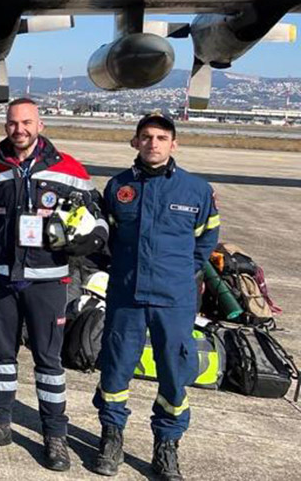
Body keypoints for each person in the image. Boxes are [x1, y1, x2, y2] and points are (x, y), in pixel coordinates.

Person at [0, 98, 107, 472]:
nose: (19, 130)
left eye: (27, 122)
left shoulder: (69, 169)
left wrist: (81, 246)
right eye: (13, 123)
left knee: (49, 361)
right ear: (5, 126)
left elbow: (98, 221)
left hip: (47, 282)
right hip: (0, 280)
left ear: (40, 124)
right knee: (1, 356)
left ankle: (54, 435)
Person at [91, 114, 218, 481]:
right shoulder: (118, 187)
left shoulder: (196, 190)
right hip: (126, 295)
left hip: (174, 299)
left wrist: (179, 274)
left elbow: (205, 241)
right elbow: (104, 240)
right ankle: (111, 437)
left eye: (162, 137)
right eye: (146, 137)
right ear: (135, 142)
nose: (153, 143)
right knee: (115, 368)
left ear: (174, 144)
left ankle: (166, 446)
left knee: (175, 374)